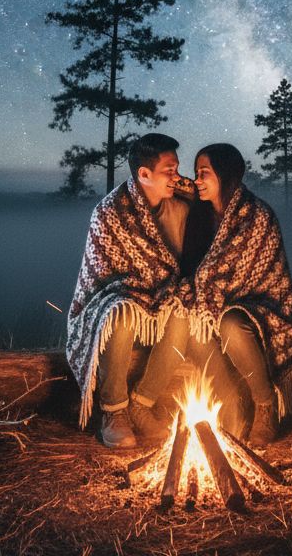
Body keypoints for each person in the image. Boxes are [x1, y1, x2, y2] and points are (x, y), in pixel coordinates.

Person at [66, 133, 196, 449]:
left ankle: (142, 403)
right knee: (121, 312)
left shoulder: (180, 209)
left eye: (177, 169)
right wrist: (139, 295)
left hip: (160, 300)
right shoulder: (109, 212)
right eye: (169, 170)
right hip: (115, 302)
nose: (177, 178)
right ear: (144, 175)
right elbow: (101, 281)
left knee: (183, 315)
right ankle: (114, 411)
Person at [185, 142, 292, 446]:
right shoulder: (201, 216)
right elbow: (193, 270)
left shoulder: (256, 215)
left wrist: (206, 292)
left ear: (225, 174)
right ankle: (233, 403)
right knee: (191, 329)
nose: (197, 180)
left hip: (263, 305)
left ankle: (265, 405)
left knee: (230, 324)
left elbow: (223, 275)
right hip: (218, 304)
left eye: (204, 173)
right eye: (196, 173)